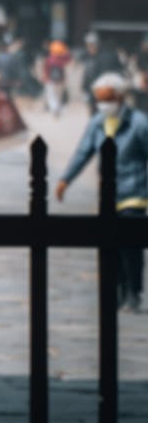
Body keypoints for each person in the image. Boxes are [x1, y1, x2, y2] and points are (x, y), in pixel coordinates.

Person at [56, 71, 148, 312]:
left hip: (134, 190)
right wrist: (66, 179)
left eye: (107, 98)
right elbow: (83, 152)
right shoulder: (97, 122)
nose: (103, 103)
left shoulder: (139, 123)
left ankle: (134, 291)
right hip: (108, 195)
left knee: (131, 246)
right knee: (112, 246)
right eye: (99, 98)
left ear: (119, 97)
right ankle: (117, 290)